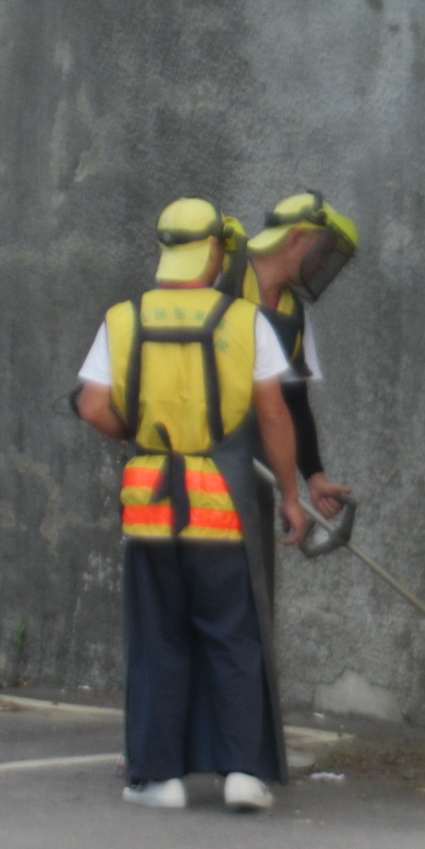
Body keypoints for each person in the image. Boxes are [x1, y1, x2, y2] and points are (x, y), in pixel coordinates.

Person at [74, 198, 308, 812]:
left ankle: (159, 779)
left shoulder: (122, 318)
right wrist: (291, 495)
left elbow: (92, 405)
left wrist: (140, 434)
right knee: (233, 637)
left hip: (150, 503)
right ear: (216, 252)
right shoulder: (246, 321)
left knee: (158, 638)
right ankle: (242, 773)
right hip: (221, 504)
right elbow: (273, 415)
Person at [217, 191, 360, 521]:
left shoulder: (294, 316)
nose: (323, 264)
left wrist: (314, 476)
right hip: (197, 461)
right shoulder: (225, 276)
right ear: (296, 237)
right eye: (323, 251)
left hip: (251, 472)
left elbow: (294, 402)